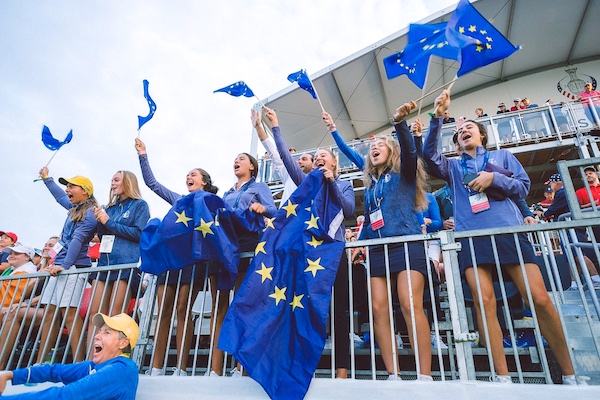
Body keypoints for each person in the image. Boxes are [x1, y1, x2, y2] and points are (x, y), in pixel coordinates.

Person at [423, 89, 582, 385]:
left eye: (469, 127)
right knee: (484, 303)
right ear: (456, 144)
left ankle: (572, 374)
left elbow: (522, 188)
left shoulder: (503, 156)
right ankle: (502, 377)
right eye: (458, 131)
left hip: (508, 232)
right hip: (472, 237)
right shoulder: (454, 167)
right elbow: (430, 156)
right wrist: (437, 117)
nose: (463, 130)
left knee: (539, 299)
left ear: (482, 135)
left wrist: (494, 178)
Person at [266, 106, 355, 379]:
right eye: (316, 157)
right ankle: (305, 367)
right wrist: (276, 127)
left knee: (338, 311)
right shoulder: (306, 183)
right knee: (305, 310)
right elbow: (285, 159)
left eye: (323, 156)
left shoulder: (345, 183)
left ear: (334, 164)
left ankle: (341, 370)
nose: (318, 159)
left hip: (334, 254)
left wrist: (331, 183)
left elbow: (349, 210)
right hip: (309, 254)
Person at [135, 138, 219, 377]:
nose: (188, 177)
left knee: (183, 308)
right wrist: (143, 155)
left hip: (193, 262)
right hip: (169, 263)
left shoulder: (211, 202)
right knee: (163, 312)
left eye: (193, 174)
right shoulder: (180, 200)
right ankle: (157, 367)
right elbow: (152, 184)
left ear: (204, 181)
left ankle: (181, 367)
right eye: (187, 175)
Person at [0, 313, 139, 399]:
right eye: (100, 331)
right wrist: (9, 375)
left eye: (106, 333)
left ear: (123, 343)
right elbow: (55, 371)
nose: (97, 336)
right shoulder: (96, 365)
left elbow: (66, 396)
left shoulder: (122, 369)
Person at [37, 168, 97, 365]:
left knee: (70, 315)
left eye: (72, 186)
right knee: (50, 313)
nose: (67, 189)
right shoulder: (74, 208)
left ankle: (79, 364)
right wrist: (47, 179)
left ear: (85, 192)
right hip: (61, 266)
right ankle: (39, 363)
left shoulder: (89, 213)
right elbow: (58, 196)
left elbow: (77, 241)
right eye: (67, 186)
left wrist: (63, 265)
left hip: (72, 268)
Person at [86, 171, 150, 351]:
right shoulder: (110, 208)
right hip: (104, 264)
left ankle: (110, 360)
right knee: (95, 314)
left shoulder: (140, 205)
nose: (112, 183)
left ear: (128, 183)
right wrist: (100, 219)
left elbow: (139, 234)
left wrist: (109, 222)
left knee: (114, 316)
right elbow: (103, 234)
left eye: (116, 180)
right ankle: (90, 359)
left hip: (125, 264)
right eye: (111, 180)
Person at [0, 237, 58, 370]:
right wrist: (37, 279)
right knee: (8, 312)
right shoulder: (42, 268)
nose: (46, 247)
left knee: (12, 312)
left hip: (49, 310)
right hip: (34, 309)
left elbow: (50, 294)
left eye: (51, 245)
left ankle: (1, 364)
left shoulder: (57, 267)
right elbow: (25, 293)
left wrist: (27, 303)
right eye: (45, 244)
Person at [540, 173, 600, 290]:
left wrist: (542, 214)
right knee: (572, 256)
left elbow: (552, 209)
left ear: (558, 183)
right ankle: (574, 284)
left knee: (577, 254)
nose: (551, 186)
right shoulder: (566, 192)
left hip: (571, 228)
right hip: (571, 228)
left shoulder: (562, 193)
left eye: (551, 183)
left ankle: (596, 278)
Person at [252, 109, 314, 206]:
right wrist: (258, 127)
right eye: (298, 159)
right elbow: (272, 151)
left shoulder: (318, 183)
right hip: (286, 221)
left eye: (304, 159)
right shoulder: (288, 175)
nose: (299, 161)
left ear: (314, 165)